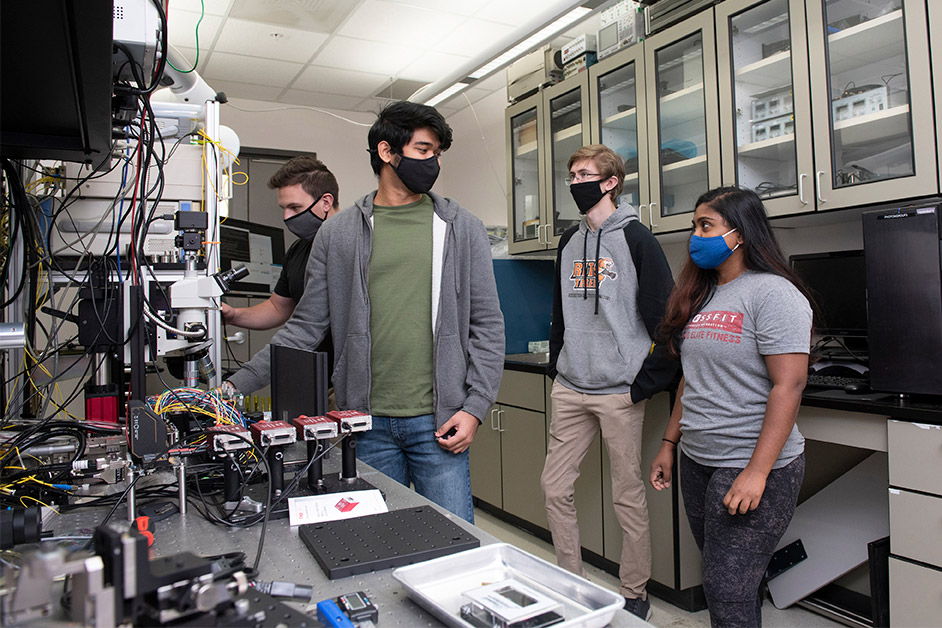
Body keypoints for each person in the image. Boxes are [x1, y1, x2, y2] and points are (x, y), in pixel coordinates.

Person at [224, 101, 505, 523]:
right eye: (425, 151)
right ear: (387, 151)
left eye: (437, 154)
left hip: (441, 423)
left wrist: (475, 406)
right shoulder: (338, 234)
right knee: (372, 543)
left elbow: (487, 323)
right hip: (363, 425)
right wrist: (231, 389)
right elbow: (303, 328)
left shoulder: (461, 227)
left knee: (452, 545)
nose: (434, 162)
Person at [649, 186, 812, 627]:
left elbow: (789, 385)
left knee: (726, 590)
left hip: (752, 463)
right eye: (694, 226)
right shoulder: (703, 294)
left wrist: (757, 472)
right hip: (699, 459)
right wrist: (669, 443)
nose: (695, 236)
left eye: (707, 225)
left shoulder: (773, 294)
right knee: (736, 582)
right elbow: (691, 378)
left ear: (741, 233)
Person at [541, 144, 677, 621]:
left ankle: (634, 591)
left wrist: (642, 384)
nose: (576, 181)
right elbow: (560, 313)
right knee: (554, 487)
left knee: (627, 494)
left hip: (620, 389)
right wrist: (558, 365)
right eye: (572, 174)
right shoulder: (568, 242)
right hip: (572, 386)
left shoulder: (637, 238)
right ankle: (571, 583)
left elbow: (666, 319)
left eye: (585, 174)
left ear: (610, 182)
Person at [221, 156, 339, 330]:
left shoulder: (356, 244)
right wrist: (234, 315)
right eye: (284, 209)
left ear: (326, 202)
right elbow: (277, 308)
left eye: (295, 207)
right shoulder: (297, 250)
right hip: (309, 354)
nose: (286, 217)